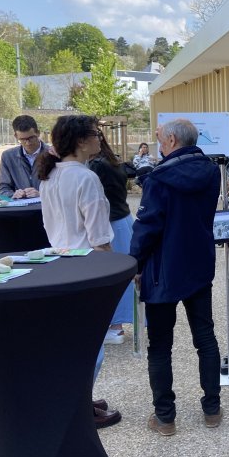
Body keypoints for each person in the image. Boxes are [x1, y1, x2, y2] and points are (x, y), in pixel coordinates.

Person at [130, 118, 223, 436]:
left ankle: (165, 417)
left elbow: (147, 226)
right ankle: (212, 409)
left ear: (171, 140)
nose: (157, 143)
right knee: (205, 338)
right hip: (198, 263)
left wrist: (135, 262)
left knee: (160, 345)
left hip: (163, 270)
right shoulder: (212, 172)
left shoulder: (159, 177)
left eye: (158, 138)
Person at [37, 115, 120, 429]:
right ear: (82, 141)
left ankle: (79, 398)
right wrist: (115, 271)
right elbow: (99, 237)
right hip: (88, 266)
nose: (100, 139)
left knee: (73, 341)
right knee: (91, 346)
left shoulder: (49, 176)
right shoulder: (86, 178)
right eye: (96, 135)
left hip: (59, 262)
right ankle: (77, 406)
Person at [87, 135, 135, 345]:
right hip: (122, 220)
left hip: (111, 224)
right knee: (124, 276)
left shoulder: (96, 166)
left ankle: (115, 326)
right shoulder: (112, 160)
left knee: (113, 277)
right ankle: (116, 326)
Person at [0, 115, 51, 199]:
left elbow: (63, 189)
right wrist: (12, 195)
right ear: (15, 136)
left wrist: (42, 194)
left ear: (38, 133)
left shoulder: (53, 154)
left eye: (31, 138)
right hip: (20, 210)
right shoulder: (8, 156)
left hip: (46, 209)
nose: (28, 143)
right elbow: (2, 188)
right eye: (22, 139)